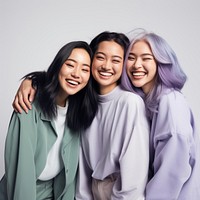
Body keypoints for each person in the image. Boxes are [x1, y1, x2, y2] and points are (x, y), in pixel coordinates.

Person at [11, 31, 150, 199]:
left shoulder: (130, 102)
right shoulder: (83, 102)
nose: (106, 66)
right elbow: (80, 167)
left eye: (116, 60)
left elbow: (134, 177)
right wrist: (33, 80)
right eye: (100, 57)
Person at [0, 41, 98, 200]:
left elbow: (69, 176)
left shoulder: (77, 111)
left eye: (85, 69)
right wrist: (31, 80)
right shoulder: (28, 104)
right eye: (70, 64)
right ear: (58, 65)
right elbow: (21, 174)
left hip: (51, 192)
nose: (76, 74)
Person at [121, 30, 200, 199]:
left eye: (146, 58)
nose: (136, 65)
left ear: (161, 63)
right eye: (131, 57)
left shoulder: (170, 101)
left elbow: (172, 171)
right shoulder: (148, 102)